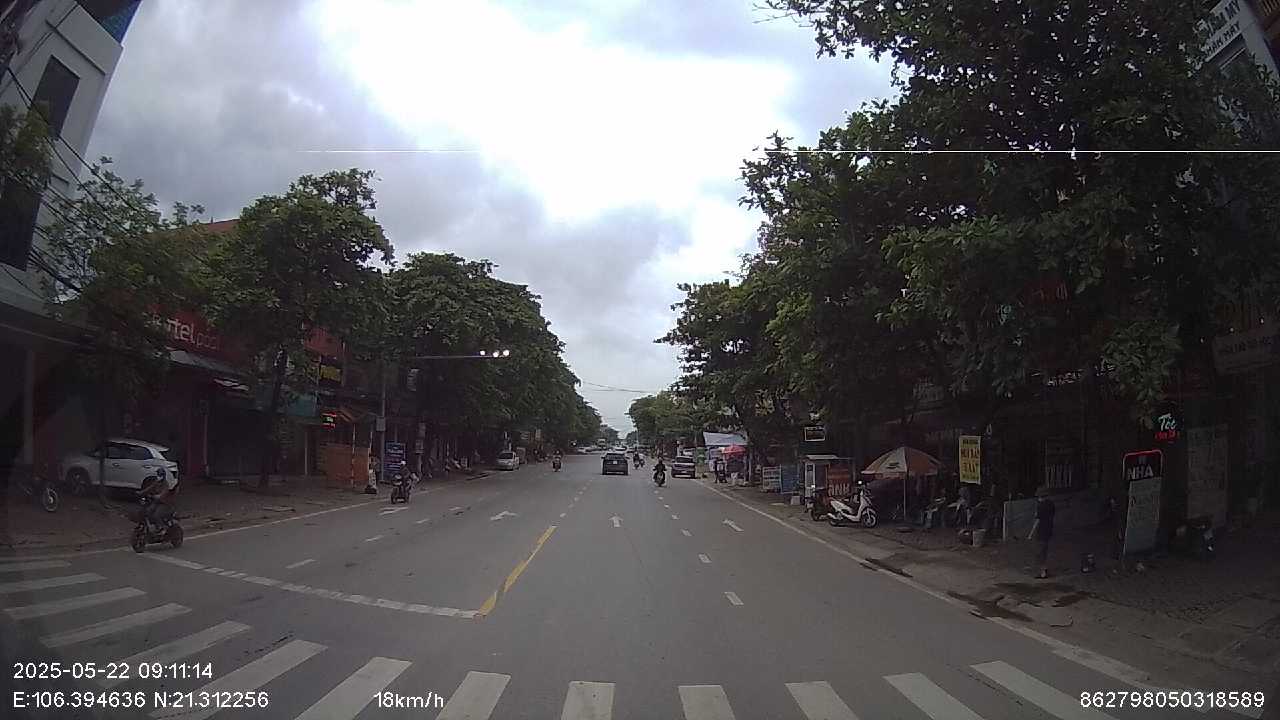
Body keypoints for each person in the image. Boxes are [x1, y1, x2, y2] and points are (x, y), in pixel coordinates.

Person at [1027, 487, 1056, 579]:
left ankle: (1043, 571)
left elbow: (1037, 520)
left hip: (1041, 530)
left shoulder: (1040, 506)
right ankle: (1044, 569)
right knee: (1044, 549)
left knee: (1039, 551)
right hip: (1049, 528)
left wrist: (1031, 533)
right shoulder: (1051, 504)